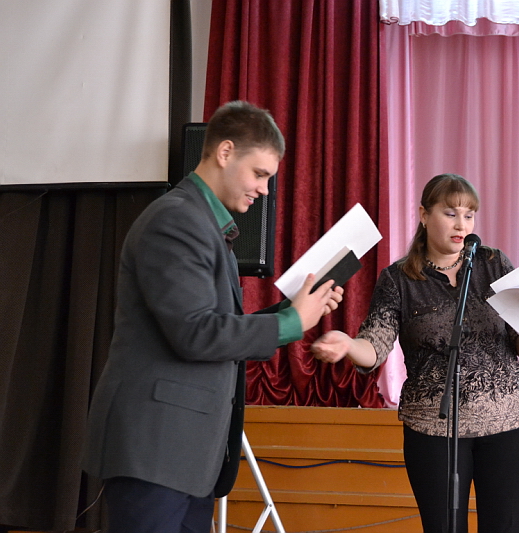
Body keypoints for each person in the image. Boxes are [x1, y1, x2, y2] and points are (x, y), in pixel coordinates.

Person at [82, 100, 343, 533]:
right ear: (225, 152)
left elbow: (211, 324)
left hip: (185, 455)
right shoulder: (176, 220)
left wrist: (291, 311)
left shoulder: (202, 223)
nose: (264, 189)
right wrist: (291, 324)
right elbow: (195, 333)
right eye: (259, 174)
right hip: (156, 448)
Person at [311, 173, 519, 533]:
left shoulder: (494, 264)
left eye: (469, 215)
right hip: (434, 429)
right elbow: (376, 344)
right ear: (424, 214)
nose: (461, 225)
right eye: (450, 213)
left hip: (507, 423)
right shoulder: (398, 279)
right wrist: (348, 345)